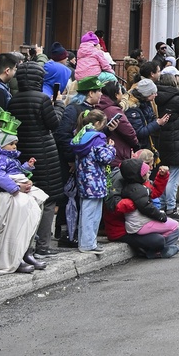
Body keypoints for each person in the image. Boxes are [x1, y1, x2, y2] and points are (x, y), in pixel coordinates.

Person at [9, 60, 64, 257]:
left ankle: (27, 246)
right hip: (45, 153)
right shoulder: (42, 99)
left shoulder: (13, 100)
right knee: (48, 201)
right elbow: (54, 123)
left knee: (29, 198)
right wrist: (58, 105)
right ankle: (43, 246)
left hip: (24, 153)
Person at [0, 117, 48, 273]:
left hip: (19, 188)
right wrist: (15, 188)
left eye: (15, 144)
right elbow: (0, 176)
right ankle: (15, 256)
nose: (14, 147)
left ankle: (26, 251)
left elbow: (17, 171)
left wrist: (27, 167)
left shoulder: (10, 158)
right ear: (1, 144)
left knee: (36, 207)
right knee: (20, 217)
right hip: (10, 192)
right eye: (11, 144)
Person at [152, 67, 179, 218]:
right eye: (177, 77)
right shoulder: (176, 99)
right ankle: (171, 208)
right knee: (174, 177)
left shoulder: (158, 98)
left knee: (165, 174)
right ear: (172, 80)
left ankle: (163, 205)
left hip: (163, 140)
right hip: (178, 143)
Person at [71, 109, 117, 254]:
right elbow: (105, 158)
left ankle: (85, 241)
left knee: (86, 212)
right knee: (93, 214)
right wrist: (111, 148)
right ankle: (88, 244)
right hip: (96, 180)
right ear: (97, 123)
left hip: (84, 179)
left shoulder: (81, 136)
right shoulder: (97, 138)